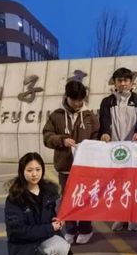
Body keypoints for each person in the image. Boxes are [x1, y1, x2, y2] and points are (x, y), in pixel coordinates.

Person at [5, 152, 70, 255]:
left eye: (38, 169)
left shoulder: (49, 191)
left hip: (44, 239)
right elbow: (18, 231)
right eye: (29, 170)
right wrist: (49, 228)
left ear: (43, 170)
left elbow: (55, 213)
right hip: (25, 246)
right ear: (22, 172)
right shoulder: (14, 198)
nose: (34, 174)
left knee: (62, 247)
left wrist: (59, 220)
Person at [43, 80, 100, 244]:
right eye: (74, 99)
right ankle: (70, 229)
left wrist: (96, 142)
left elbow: (97, 135)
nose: (77, 103)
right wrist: (61, 140)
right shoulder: (56, 116)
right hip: (65, 167)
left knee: (85, 198)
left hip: (85, 167)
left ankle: (86, 229)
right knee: (67, 198)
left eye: (80, 100)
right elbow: (47, 137)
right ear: (66, 97)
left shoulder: (90, 116)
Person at [99, 67, 137, 232]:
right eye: (119, 81)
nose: (123, 84)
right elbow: (104, 120)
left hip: (134, 148)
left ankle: (133, 216)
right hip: (114, 149)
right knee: (116, 184)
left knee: (133, 184)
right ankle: (119, 217)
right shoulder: (107, 102)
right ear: (114, 83)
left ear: (131, 83)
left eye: (126, 80)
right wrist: (105, 133)